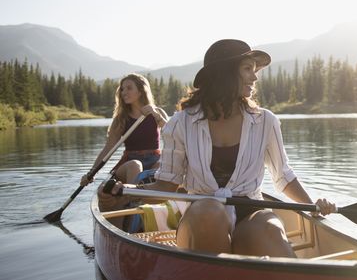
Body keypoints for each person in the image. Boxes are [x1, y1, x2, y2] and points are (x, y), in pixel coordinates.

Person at [103, 39, 335, 257]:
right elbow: (167, 185)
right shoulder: (181, 123)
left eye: (255, 70)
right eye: (247, 68)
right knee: (209, 213)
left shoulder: (266, 121)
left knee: (270, 230)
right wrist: (126, 191)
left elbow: (283, 176)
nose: (255, 77)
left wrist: (314, 205)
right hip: (200, 217)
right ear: (224, 74)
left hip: (250, 210)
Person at [83, 73, 168, 218]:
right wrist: (92, 172)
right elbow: (108, 148)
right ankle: (133, 205)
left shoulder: (156, 112)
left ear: (140, 91)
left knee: (162, 166)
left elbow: (172, 135)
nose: (124, 92)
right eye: (122, 89)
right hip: (129, 163)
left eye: (129, 88)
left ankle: (154, 203)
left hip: (154, 160)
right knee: (135, 165)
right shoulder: (121, 118)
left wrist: (156, 115)